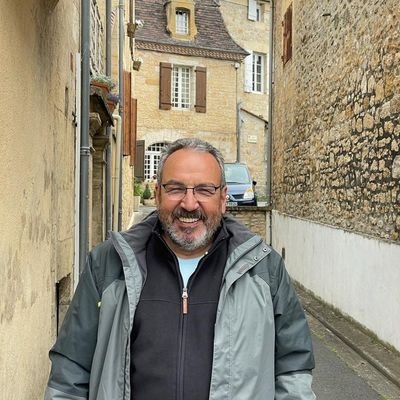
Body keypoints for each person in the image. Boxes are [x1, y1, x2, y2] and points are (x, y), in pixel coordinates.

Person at [45, 138, 316, 400]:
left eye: (204, 190)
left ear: (223, 198)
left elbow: (292, 369)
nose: (189, 203)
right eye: (176, 188)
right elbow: (70, 372)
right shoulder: (108, 264)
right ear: (158, 194)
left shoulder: (264, 268)